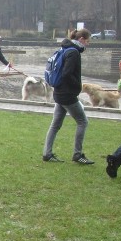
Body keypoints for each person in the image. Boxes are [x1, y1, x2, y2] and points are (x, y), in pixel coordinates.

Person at [42, 28, 94, 164]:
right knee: (83, 122)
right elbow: (67, 73)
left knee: (55, 125)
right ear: (81, 39)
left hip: (58, 92)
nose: (87, 44)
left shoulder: (64, 49)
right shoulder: (74, 52)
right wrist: (77, 86)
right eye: (87, 41)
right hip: (67, 94)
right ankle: (78, 154)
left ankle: (47, 153)